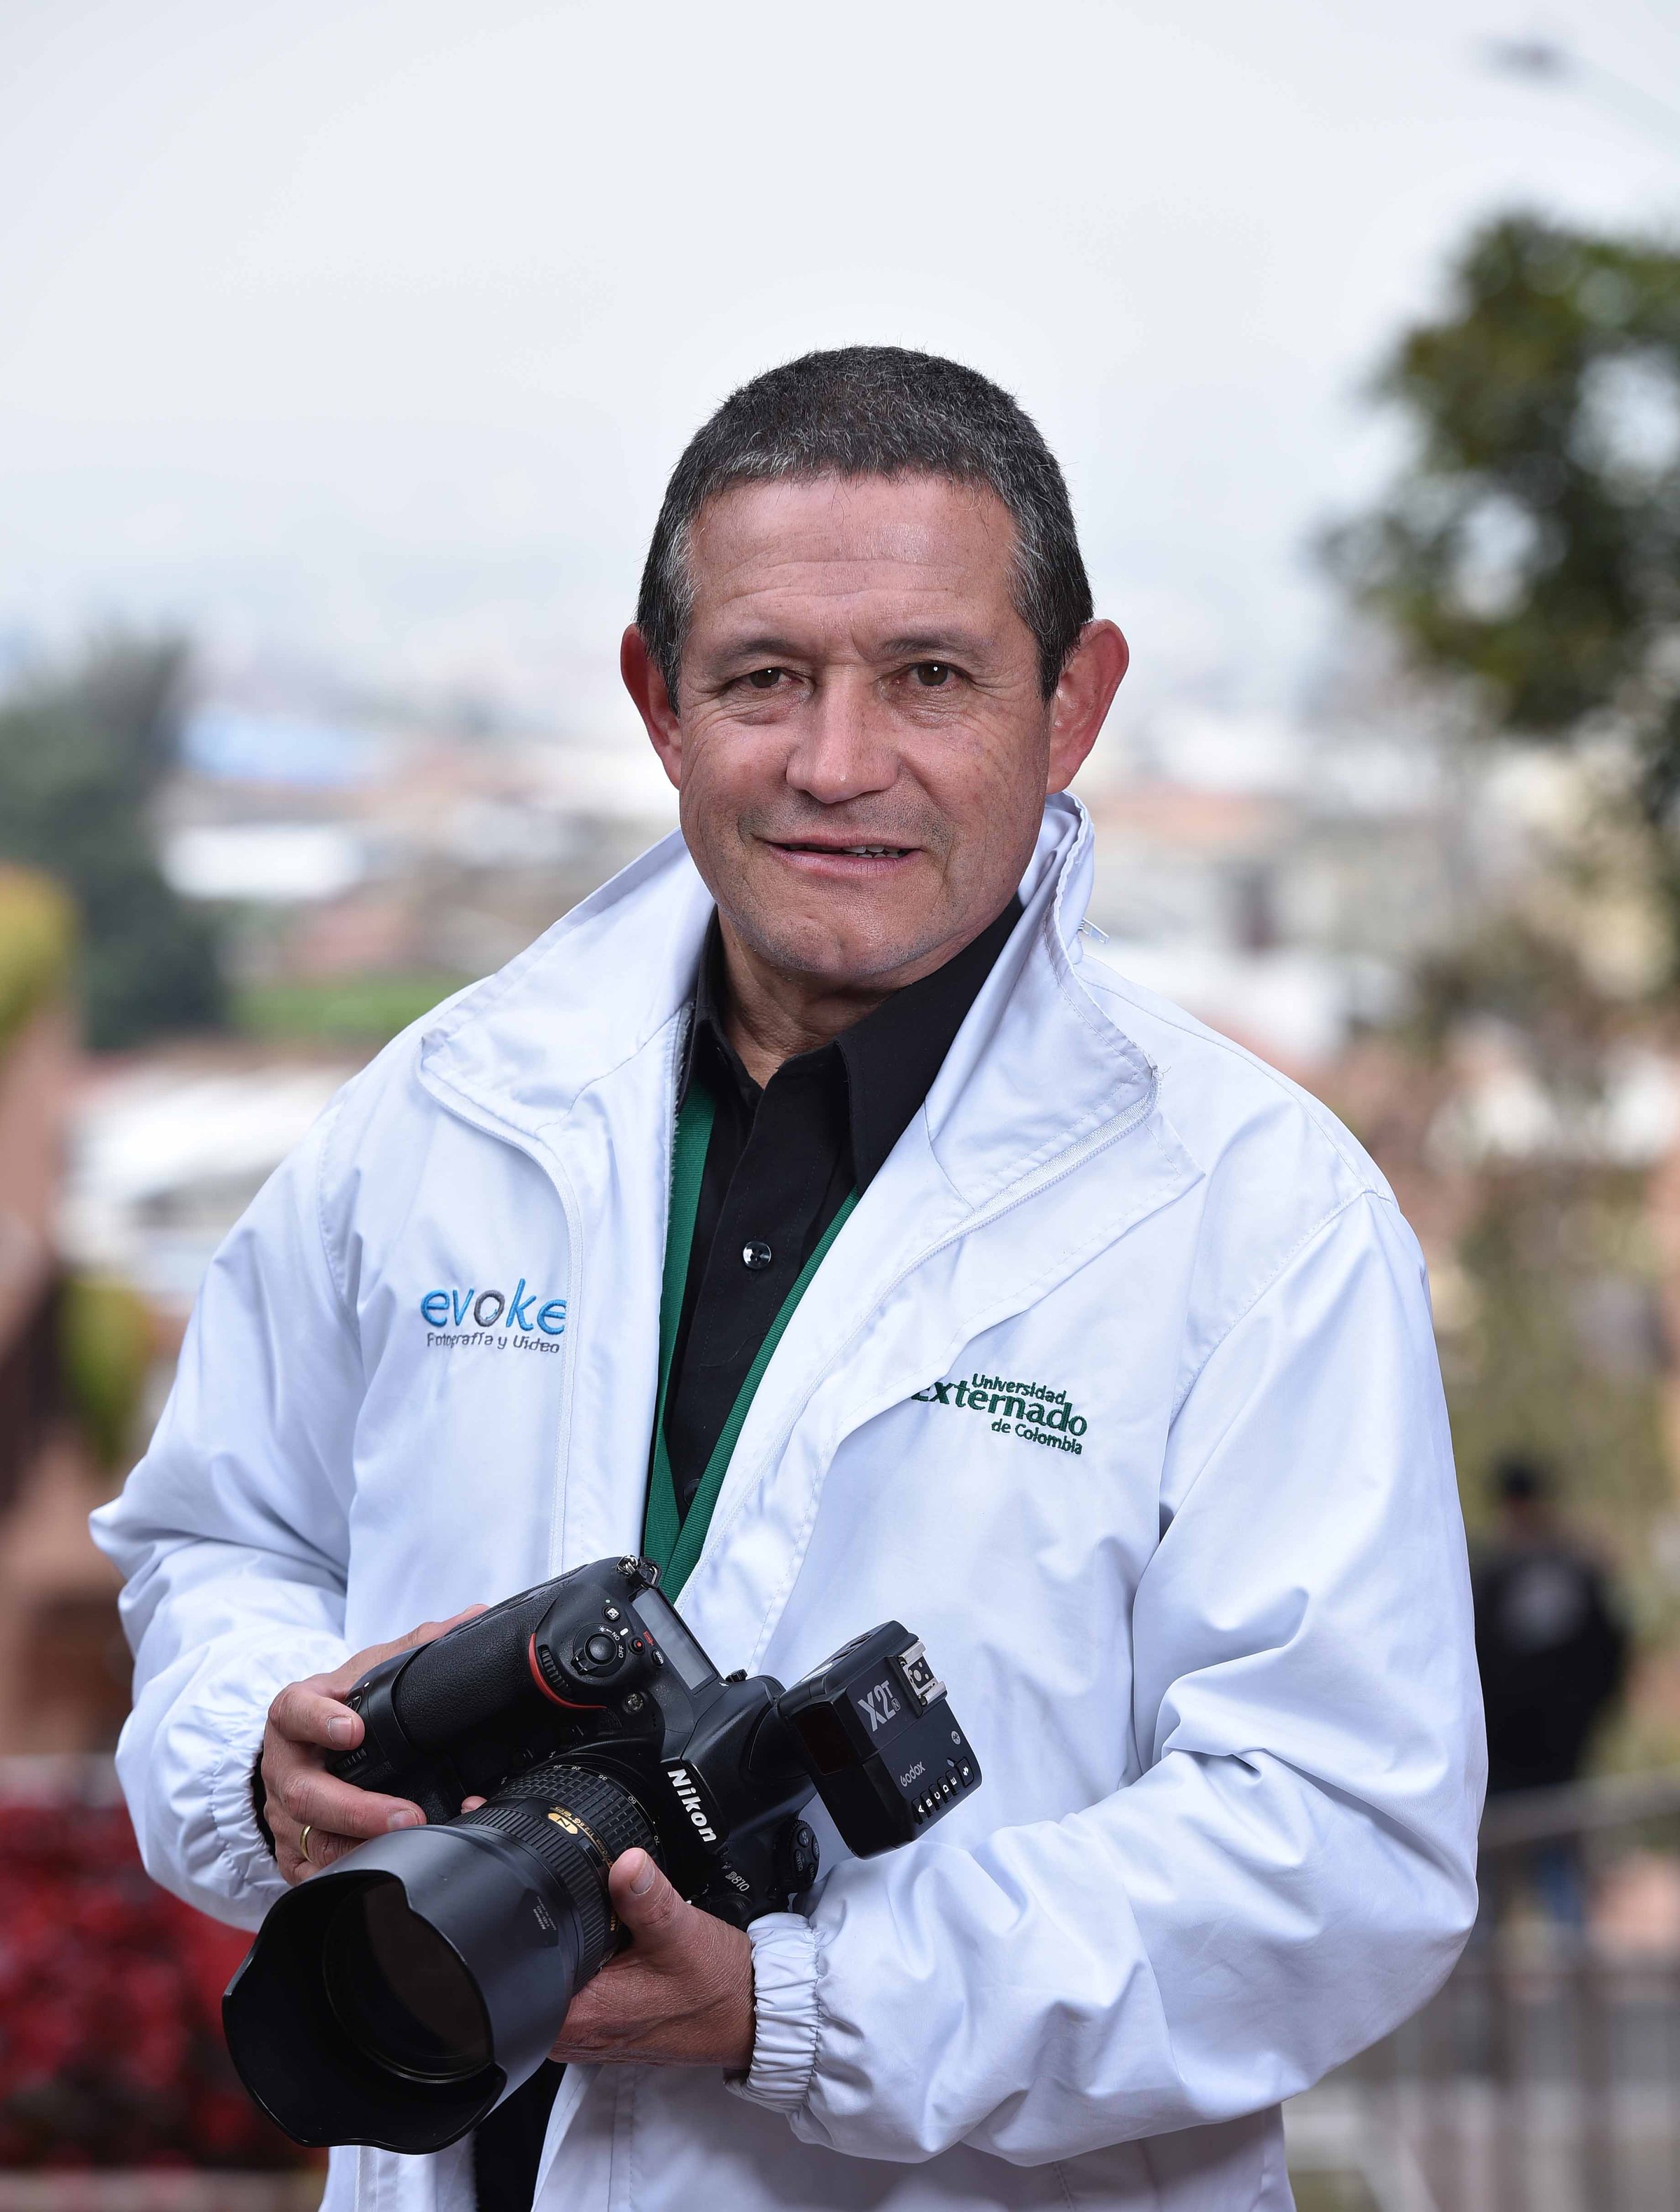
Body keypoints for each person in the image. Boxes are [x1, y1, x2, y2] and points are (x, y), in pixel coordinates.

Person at [92, 347, 1483, 2212]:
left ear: (1074, 703)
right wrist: (266, 1757)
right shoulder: (444, 1116)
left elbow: (1341, 1842)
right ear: (656, 702)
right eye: (764, 678)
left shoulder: (1256, 1215)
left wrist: (800, 2002)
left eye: (929, 677)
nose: (838, 763)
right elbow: (220, 1542)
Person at [1473, 1454, 1627, 1926]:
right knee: (1543, 1896)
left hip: (1526, 1762)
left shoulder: (1492, 1575)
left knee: (1506, 1901)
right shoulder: (1572, 1568)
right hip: (1544, 1761)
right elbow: (1612, 1654)